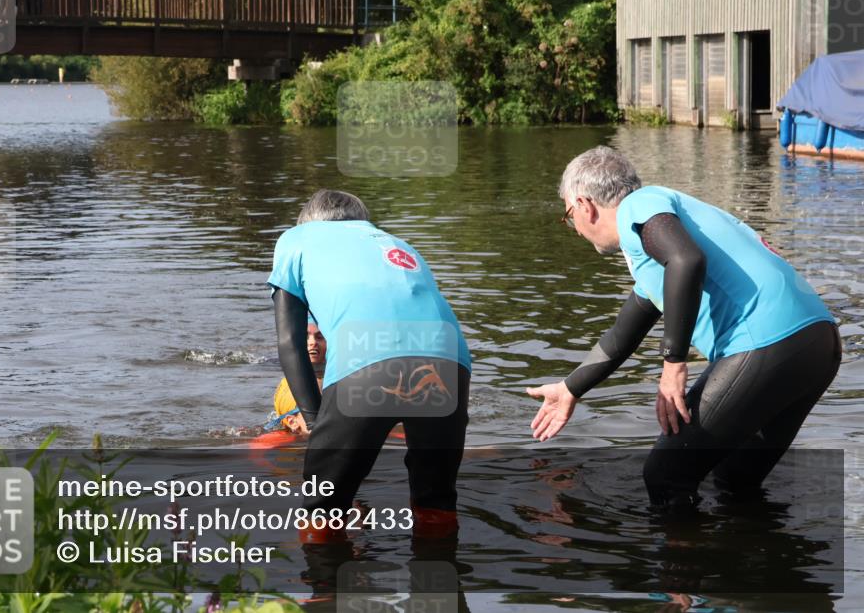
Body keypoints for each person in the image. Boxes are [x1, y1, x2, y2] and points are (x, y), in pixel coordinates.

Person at [527, 146, 841, 509]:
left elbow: (686, 260)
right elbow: (620, 336)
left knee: (665, 474)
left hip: (768, 342)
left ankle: (682, 566)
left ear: (584, 205)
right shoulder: (653, 245)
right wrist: (570, 389)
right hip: (818, 343)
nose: (576, 230)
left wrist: (673, 363)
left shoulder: (640, 205)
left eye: (568, 216)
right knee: (733, 480)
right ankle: (757, 562)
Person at [269, 189, 472, 542]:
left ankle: (323, 589)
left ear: (308, 222)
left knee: (324, 505)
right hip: (449, 358)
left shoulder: (295, 239)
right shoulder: (396, 243)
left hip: (365, 358)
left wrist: (318, 425)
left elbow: (290, 343)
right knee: (436, 499)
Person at [269, 322, 327, 436]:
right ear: (292, 422)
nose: (313, 342)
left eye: (320, 337)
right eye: (321, 412)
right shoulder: (271, 445)